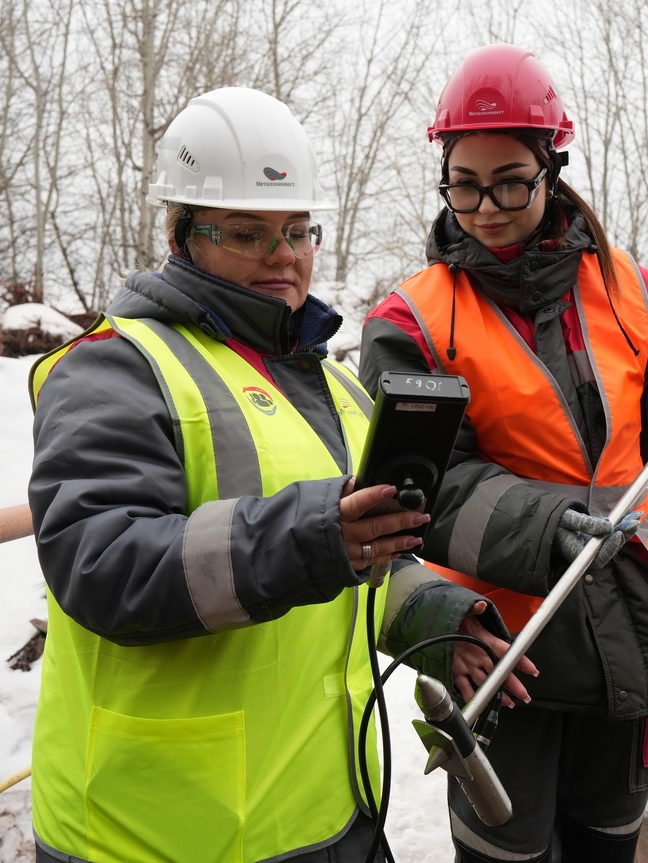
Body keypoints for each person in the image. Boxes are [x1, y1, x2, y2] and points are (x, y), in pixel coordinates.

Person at [26, 86, 534, 863]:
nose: (285, 255)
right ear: (183, 235)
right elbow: (100, 562)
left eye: (299, 230)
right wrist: (317, 532)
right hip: (160, 833)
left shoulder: (331, 385)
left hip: (328, 809)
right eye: (247, 231)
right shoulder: (115, 368)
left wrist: (442, 620)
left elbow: (365, 557)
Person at [359, 45, 648, 863]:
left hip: (633, 638)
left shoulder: (633, 290)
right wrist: (545, 522)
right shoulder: (411, 321)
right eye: (464, 181)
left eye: (510, 179)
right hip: (506, 653)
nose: (485, 205)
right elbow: (421, 487)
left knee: (607, 845)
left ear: (552, 167)